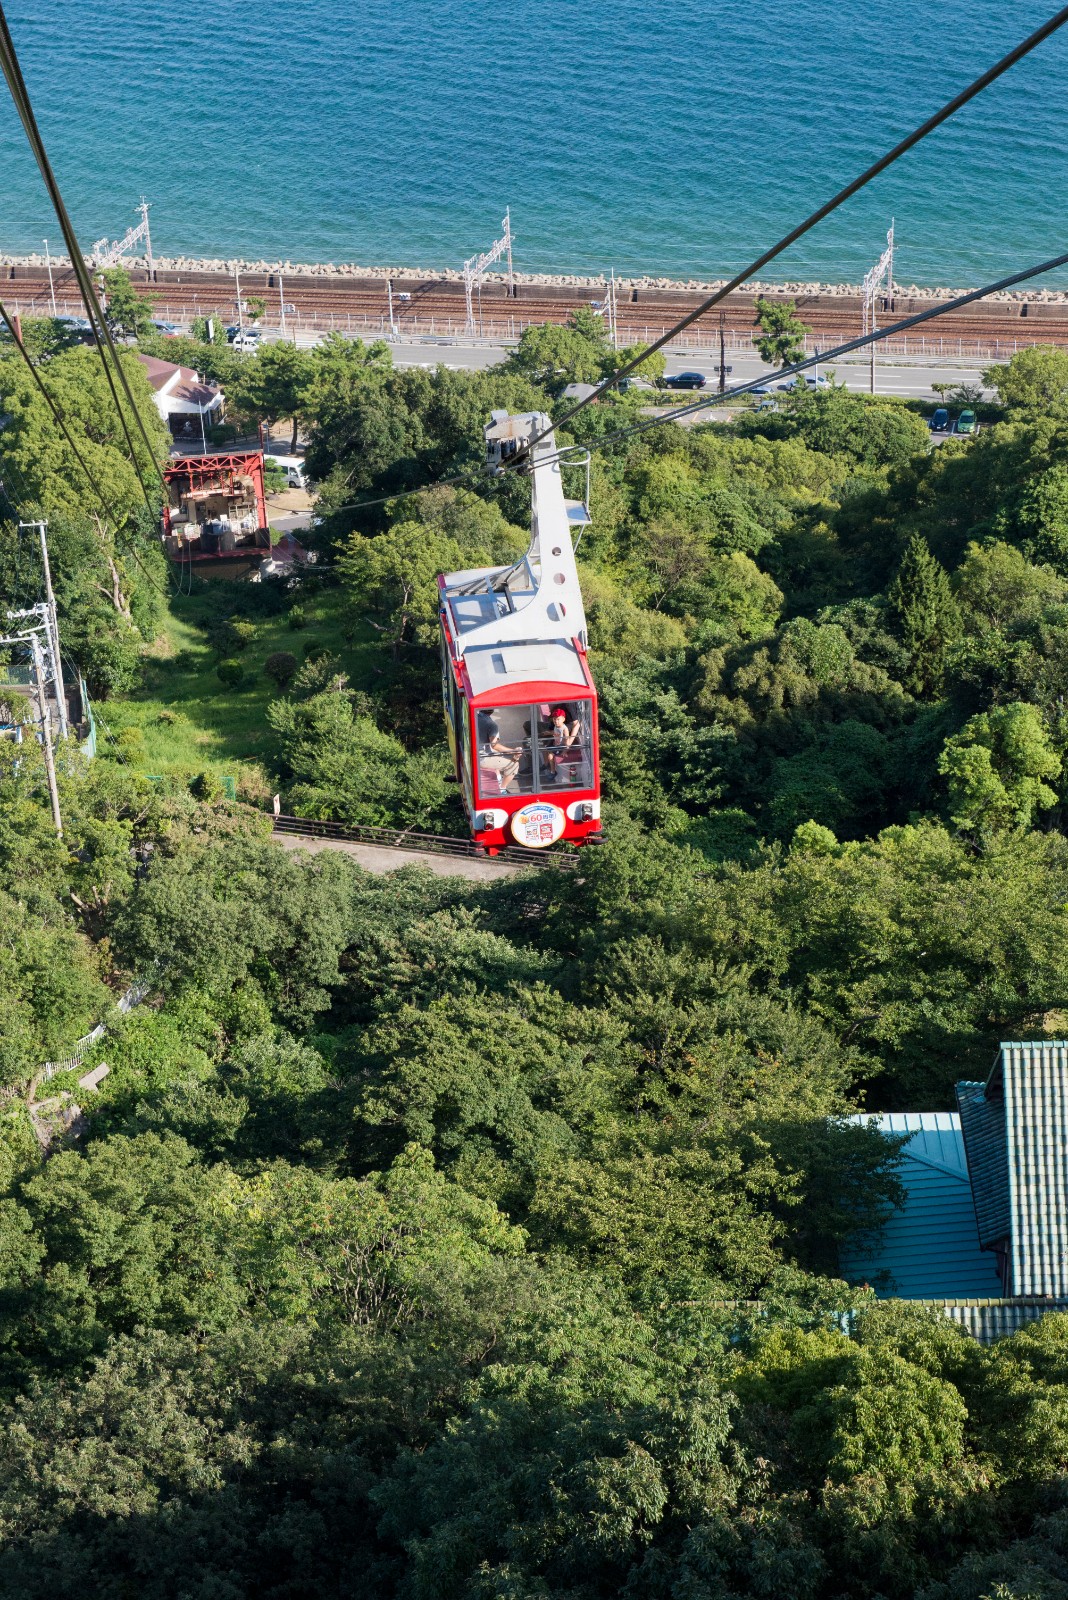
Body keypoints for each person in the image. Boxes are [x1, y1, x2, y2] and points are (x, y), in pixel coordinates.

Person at [476, 707, 522, 792]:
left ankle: (498, 776)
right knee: (514, 765)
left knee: (499, 755)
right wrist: (513, 751)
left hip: (472, 753)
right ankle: (502, 788)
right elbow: (494, 745)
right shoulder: (491, 725)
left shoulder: (475, 717)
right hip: (481, 758)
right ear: (492, 710)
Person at [547, 704, 582, 779]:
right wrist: (549, 733)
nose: (556, 721)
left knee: (550, 755)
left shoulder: (564, 728)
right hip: (556, 743)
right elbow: (554, 732)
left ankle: (552, 771)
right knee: (549, 754)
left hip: (560, 746)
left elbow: (567, 740)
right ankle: (551, 769)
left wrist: (566, 750)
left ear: (563, 719)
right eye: (554, 719)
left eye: (558, 719)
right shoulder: (556, 727)